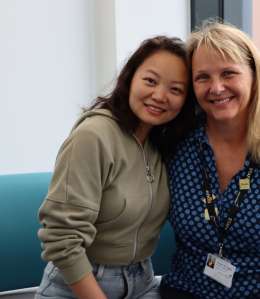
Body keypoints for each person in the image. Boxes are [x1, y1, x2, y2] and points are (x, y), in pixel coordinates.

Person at [159, 22, 260, 299]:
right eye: (202, 77)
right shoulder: (175, 141)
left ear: (254, 76)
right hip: (189, 290)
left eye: (229, 73)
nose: (217, 87)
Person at [35, 36, 195, 299]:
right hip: (78, 285)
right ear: (130, 78)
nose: (159, 95)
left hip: (143, 280)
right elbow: (61, 237)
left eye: (176, 89)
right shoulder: (94, 135)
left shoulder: (165, 144)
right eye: (150, 81)